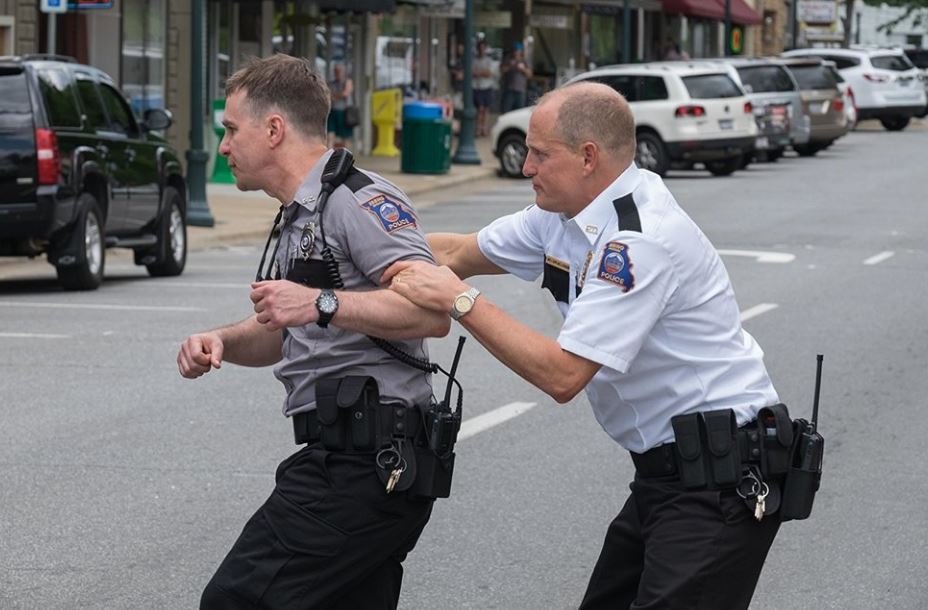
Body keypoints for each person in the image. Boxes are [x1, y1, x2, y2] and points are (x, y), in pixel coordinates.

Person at [382, 82, 785, 609]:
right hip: (669, 477)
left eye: (540, 154)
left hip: (721, 481)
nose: (525, 167)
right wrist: (362, 247)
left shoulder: (638, 239)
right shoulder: (562, 216)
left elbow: (563, 375)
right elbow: (457, 250)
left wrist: (461, 301)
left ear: (588, 157)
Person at [177, 54, 451, 610]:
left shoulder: (359, 199)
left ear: (273, 129)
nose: (223, 145)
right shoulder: (300, 212)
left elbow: (433, 313)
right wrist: (225, 341)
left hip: (368, 465)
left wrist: (320, 302)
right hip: (348, 459)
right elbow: (288, 327)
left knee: (235, 600)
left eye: (231, 129)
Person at [327, 63, 355, 149]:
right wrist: (335, 96)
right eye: (336, 71)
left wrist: (335, 96)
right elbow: (328, 95)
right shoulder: (332, 83)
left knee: (345, 138)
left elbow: (345, 93)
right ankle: (329, 157)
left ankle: (346, 158)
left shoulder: (348, 82)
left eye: (339, 71)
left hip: (344, 112)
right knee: (330, 135)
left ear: (343, 72)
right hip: (333, 111)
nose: (337, 73)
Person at [500, 42, 532, 113]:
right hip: (509, 89)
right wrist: (510, 66)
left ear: (521, 51)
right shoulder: (508, 59)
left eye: (518, 50)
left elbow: (530, 75)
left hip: (521, 90)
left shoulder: (525, 61)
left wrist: (522, 69)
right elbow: (502, 71)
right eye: (515, 50)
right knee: (506, 110)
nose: (516, 52)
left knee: (519, 111)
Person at [472, 39, 496, 136]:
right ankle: (478, 129)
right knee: (480, 109)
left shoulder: (489, 60)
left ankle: (484, 129)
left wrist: (479, 73)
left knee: (486, 109)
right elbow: (472, 72)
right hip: (477, 88)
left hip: (487, 87)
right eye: (480, 48)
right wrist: (482, 73)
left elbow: (489, 73)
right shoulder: (474, 60)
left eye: (483, 48)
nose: (481, 50)